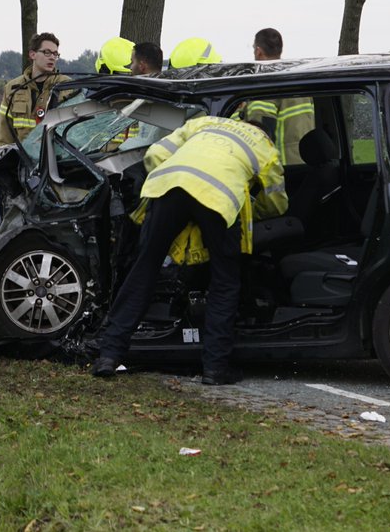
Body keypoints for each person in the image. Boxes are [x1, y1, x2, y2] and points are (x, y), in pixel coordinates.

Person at [92, 116, 288, 384]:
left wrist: (180, 182)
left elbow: (155, 154)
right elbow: (276, 203)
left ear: (240, 120)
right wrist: (251, 208)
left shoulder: (205, 123)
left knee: (144, 269)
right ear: (265, 133)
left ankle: (109, 355)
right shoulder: (265, 146)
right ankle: (215, 367)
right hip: (219, 198)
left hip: (168, 186)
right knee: (225, 281)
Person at [245, 28, 314, 165]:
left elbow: (259, 136)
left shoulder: (265, 86)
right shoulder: (298, 82)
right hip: (306, 164)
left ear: (258, 51)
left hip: (282, 169)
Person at [0, 32, 75, 147]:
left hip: (55, 159)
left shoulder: (66, 86)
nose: (52, 57)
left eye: (55, 54)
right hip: (22, 160)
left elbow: (75, 131)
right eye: (47, 52)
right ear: (33, 54)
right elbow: (4, 134)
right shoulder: (13, 88)